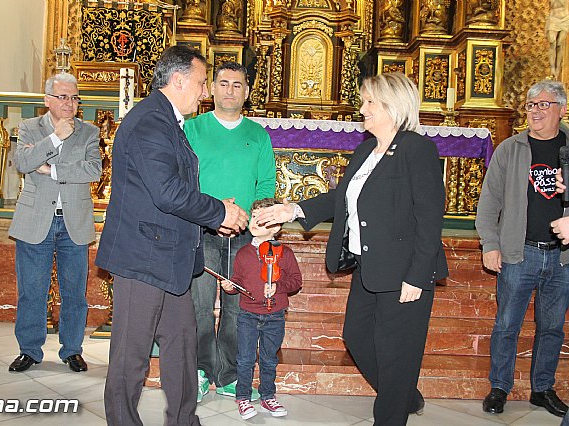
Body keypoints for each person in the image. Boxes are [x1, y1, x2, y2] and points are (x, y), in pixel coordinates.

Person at [256, 72, 448, 425]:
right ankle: (403, 393)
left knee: (395, 354)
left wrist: (417, 277)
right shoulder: (365, 150)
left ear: (393, 105)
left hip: (404, 270)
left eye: (370, 102)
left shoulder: (416, 149)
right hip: (369, 267)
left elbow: (430, 217)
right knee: (356, 337)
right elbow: (340, 198)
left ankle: (391, 411)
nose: (363, 109)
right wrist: (293, 209)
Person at [94, 45, 249, 426]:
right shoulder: (149, 122)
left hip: (171, 258)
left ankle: (184, 420)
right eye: (200, 83)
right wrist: (219, 212)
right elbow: (166, 192)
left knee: (181, 349)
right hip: (143, 258)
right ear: (178, 80)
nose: (204, 92)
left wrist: (214, 213)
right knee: (131, 357)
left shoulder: (167, 120)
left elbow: (173, 190)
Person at [475, 79, 569, 418]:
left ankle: (542, 389)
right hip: (519, 252)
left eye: (544, 104)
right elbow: (489, 202)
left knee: (553, 327)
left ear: (561, 109)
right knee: (507, 324)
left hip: (562, 257)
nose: (536, 111)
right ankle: (499, 386)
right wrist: (490, 243)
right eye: (531, 105)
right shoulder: (510, 149)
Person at [184, 61, 276, 403]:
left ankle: (229, 375)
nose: (230, 90)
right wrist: (213, 211)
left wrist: (252, 218)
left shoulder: (258, 135)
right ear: (212, 88)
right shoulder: (193, 129)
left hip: (245, 237)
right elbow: (184, 180)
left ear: (247, 92)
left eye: (237, 85)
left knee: (239, 311)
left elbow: (266, 183)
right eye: (223, 83)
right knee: (200, 304)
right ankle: (200, 371)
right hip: (203, 230)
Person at [8, 73, 102, 373]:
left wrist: (52, 169)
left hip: (73, 220)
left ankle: (72, 349)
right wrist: (54, 139)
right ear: (47, 100)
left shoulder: (89, 132)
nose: (69, 103)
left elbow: (93, 170)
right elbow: (22, 163)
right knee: (31, 290)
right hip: (35, 219)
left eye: (75, 98)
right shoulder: (29, 128)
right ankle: (29, 350)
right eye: (63, 97)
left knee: (74, 291)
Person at [219, 198, 302, 420]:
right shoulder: (243, 253)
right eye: (253, 216)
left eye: (261, 218)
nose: (254, 221)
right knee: (245, 359)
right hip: (247, 315)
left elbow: (296, 281)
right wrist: (230, 287)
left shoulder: (285, 253)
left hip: (275, 316)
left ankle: (268, 396)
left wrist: (278, 286)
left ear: (276, 226)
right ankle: (243, 398)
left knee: (268, 359)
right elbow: (237, 281)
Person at [546, 0, 569, 79]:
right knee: (552, 42)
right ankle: (552, 68)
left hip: (564, 19)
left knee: (559, 44)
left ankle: (558, 68)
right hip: (553, 18)